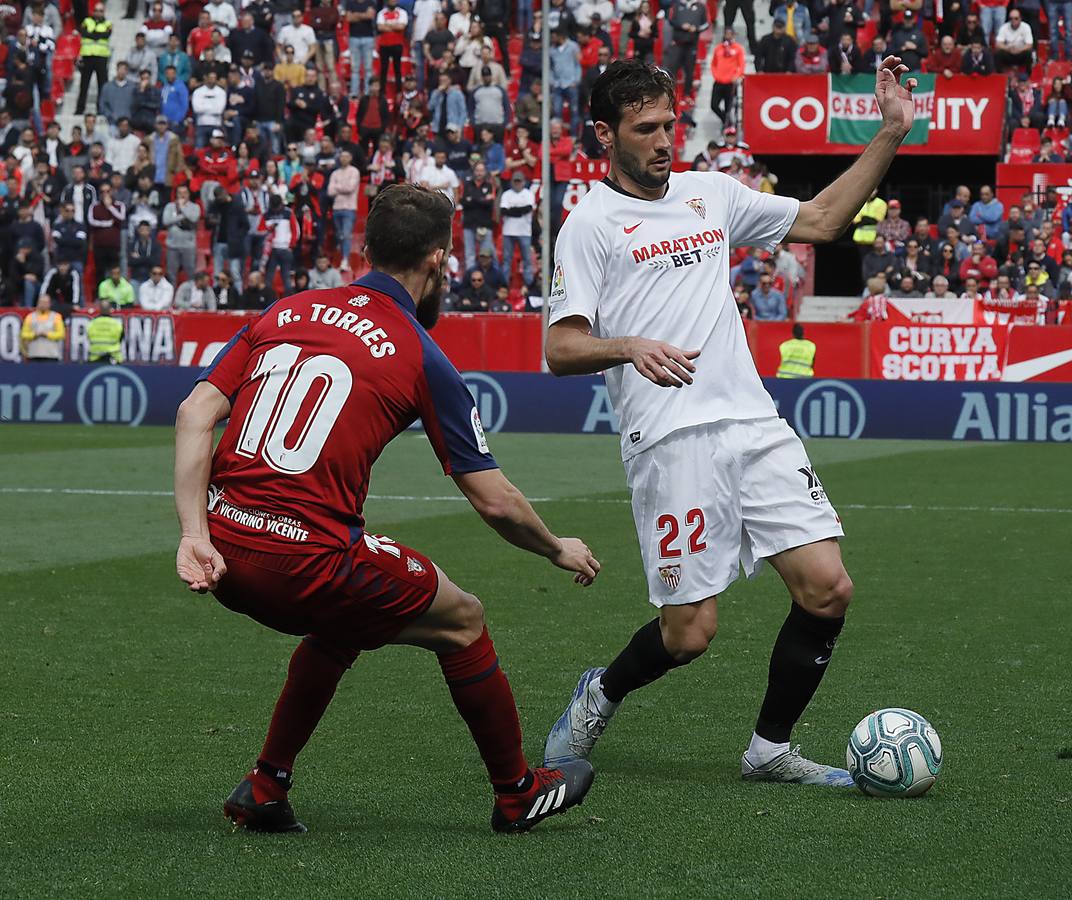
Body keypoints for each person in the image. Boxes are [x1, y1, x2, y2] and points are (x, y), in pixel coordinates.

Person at [172, 182, 599, 834]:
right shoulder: (421, 352)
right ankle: (516, 792)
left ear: (368, 246)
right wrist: (554, 545)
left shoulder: (284, 311)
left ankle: (265, 786)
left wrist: (191, 534)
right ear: (437, 260)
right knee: (462, 618)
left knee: (345, 622)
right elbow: (493, 501)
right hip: (305, 562)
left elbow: (194, 412)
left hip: (223, 552)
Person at [542, 57, 916, 784]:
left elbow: (823, 219)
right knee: (689, 635)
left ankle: (768, 749)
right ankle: (600, 694)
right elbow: (560, 347)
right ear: (603, 134)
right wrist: (628, 347)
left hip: (752, 423)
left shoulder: (708, 194)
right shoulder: (587, 226)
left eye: (668, 125)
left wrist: (890, 133)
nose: (661, 142)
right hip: (670, 441)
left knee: (827, 587)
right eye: (643, 129)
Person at [499, 172, 536, 287]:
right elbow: (503, 211)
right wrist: (519, 211)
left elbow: (529, 208)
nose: (517, 184)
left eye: (519, 181)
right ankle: (505, 284)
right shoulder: (507, 194)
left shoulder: (528, 194)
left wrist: (513, 210)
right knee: (507, 260)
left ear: (523, 182)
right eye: (515, 181)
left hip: (524, 231)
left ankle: (529, 284)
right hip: (508, 231)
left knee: (527, 260)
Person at [76, 2, 113, 116]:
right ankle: (80, 109)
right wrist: (97, 34)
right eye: (96, 10)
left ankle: (101, 109)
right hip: (88, 57)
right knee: (84, 85)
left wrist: (92, 34)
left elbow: (106, 35)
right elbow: (83, 32)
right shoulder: (86, 21)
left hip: (101, 58)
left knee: (102, 85)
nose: (98, 13)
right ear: (93, 11)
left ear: (104, 12)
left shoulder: (108, 23)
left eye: (101, 11)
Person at [20, 294, 65, 362]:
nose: (43, 305)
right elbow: (23, 334)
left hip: (51, 355)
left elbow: (61, 334)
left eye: (45, 302)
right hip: (33, 355)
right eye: (41, 302)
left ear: (49, 304)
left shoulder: (56, 317)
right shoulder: (30, 317)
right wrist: (34, 335)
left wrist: (47, 334)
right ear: (37, 303)